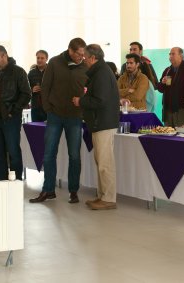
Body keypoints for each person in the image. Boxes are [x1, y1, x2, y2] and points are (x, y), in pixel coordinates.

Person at [29, 37, 88, 204]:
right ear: (70, 50)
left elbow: (88, 89)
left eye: (83, 54)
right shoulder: (55, 62)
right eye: (78, 54)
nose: (81, 57)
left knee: (74, 155)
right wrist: (48, 109)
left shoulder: (85, 66)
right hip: (54, 115)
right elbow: (45, 86)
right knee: (48, 154)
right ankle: (48, 190)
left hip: (75, 116)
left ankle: (73, 191)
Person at [72, 44, 120, 210]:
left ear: (93, 58)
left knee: (105, 162)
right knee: (101, 161)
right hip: (100, 122)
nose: (83, 59)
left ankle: (108, 198)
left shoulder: (102, 73)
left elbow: (100, 100)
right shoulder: (100, 72)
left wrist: (81, 101)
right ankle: (102, 195)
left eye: (85, 56)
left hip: (103, 122)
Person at [0, 45, 31, 181]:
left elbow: (26, 94)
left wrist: (13, 110)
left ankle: (16, 182)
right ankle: (0, 183)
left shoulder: (18, 72)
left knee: (13, 151)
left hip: (11, 118)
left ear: (4, 56)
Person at [157, 47, 184, 127]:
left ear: (181, 56)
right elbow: (160, 89)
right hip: (168, 110)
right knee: (167, 135)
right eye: (170, 54)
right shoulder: (167, 70)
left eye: (173, 54)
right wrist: (162, 82)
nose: (170, 56)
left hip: (182, 110)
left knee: (182, 136)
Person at [28, 50, 48, 122]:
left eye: (42, 58)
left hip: (48, 107)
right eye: (38, 58)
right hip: (35, 107)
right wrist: (32, 90)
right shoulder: (31, 73)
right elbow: (25, 89)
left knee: (48, 131)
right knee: (36, 130)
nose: (39, 60)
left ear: (46, 59)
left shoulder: (51, 72)